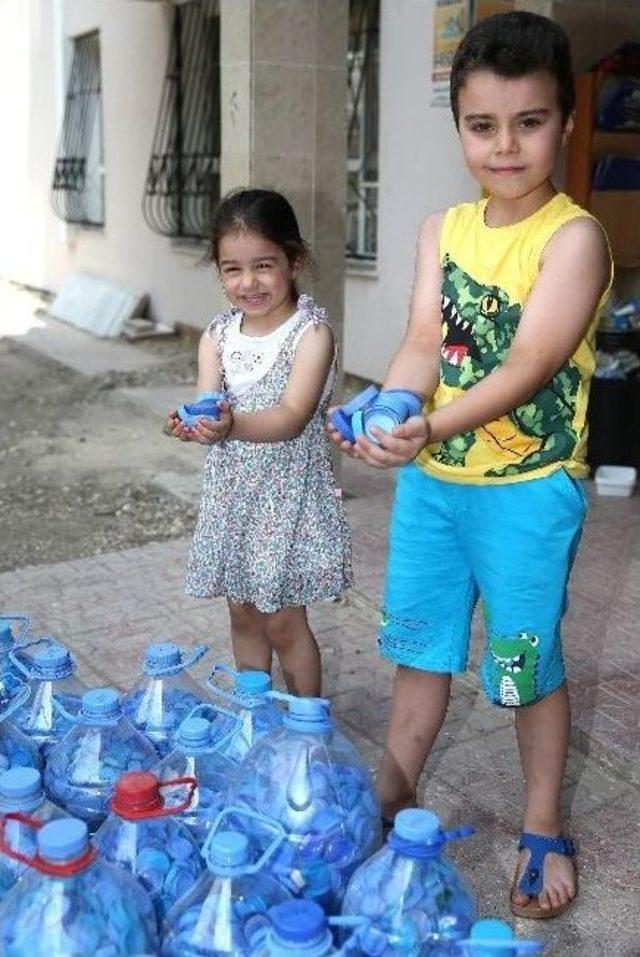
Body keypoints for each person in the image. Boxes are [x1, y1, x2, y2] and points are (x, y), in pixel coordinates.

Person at [328, 11, 612, 920]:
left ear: (565, 122)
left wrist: (430, 419)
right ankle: (390, 800)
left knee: (526, 662)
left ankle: (540, 824)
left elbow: (528, 363)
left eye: (529, 121)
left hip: (529, 493)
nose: (505, 144)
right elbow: (420, 340)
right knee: (419, 651)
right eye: (483, 125)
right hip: (434, 492)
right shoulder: (438, 230)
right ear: (459, 128)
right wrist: (389, 409)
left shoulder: (575, 239)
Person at [167, 188, 352, 697]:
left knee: (284, 622)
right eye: (232, 269)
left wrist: (229, 426)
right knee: (243, 613)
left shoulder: (311, 335)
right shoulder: (217, 336)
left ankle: (304, 728)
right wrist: (189, 423)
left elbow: (291, 416)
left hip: (286, 505)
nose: (248, 282)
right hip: (233, 504)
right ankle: (254, 716)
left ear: (295, 261)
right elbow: (209, 405)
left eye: (264, 265)